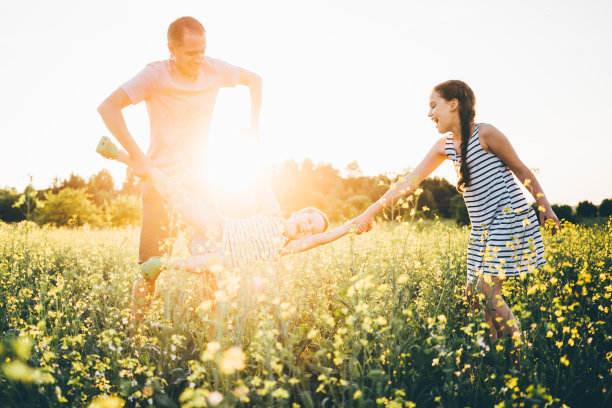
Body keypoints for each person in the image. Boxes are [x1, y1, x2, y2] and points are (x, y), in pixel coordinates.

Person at [353, 80, 560, 355]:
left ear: (454, 104)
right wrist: (371, 211)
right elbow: (409, 182)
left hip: (509, 217)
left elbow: (522, 170)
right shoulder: (445, 146)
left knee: (486, 292)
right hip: (482, 229)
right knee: (474, 297)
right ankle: (492, 358)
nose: (429, 114)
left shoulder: (486, 134)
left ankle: (520, 354)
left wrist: (545, 207)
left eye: (433, 105)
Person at [97, 16, 264, 327]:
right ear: (171, 49)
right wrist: (138, 157)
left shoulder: (215, 70)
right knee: (151, 267)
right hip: (161, 183)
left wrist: (253, 128)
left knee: (212, 261)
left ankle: (210, 336)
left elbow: (255, 80)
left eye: (202, 51)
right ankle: (135, 337)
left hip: (202, 182)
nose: (199, 59)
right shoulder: (155, 75)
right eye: (191, 53)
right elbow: (107, 107)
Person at [97, 137, 355, 274]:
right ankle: (120, 155)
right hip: (217, 225)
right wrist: (252, 147)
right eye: (309, 221)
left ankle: (161, 264)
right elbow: (261, 181)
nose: (308, 229)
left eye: (312, 231)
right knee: (172, 193)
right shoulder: (274, 214)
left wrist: (351, 227)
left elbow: (325, 238)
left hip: (221, 254)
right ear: (299, 212)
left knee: (212, 264)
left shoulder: (287, 247)